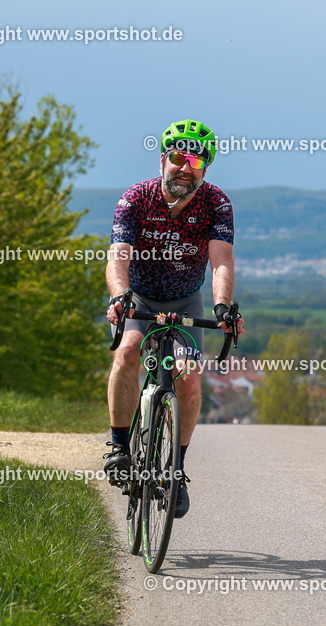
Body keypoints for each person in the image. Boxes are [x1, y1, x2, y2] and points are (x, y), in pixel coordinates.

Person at [104, 119, 245, 518]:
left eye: (195, 162)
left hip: (185, 301)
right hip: (140, 299)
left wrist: (222, 306)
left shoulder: (216, 203)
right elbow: (118, 254)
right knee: (129, 349)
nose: (185, 168)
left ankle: (176, 470)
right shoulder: (137, 198)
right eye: (178, 158)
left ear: (205, 169)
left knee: (188, 374)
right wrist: (119, 295)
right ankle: (118, 445)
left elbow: (221, 260)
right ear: (163, 159)